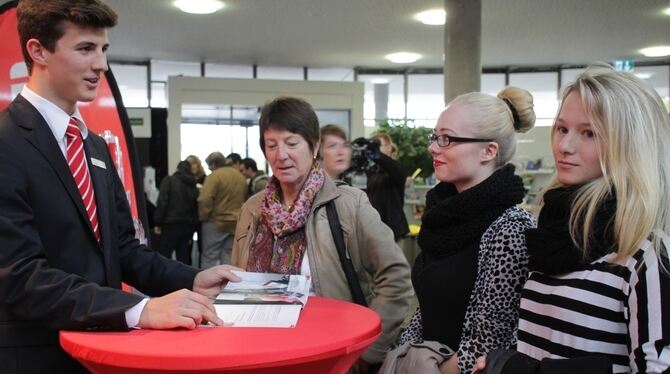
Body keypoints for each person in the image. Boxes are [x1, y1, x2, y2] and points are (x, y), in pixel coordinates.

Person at [0, 2, 240, 373]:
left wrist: (191, 277)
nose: (102, 65)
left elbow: (123, 249)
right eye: (85, 49)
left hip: (103, 354)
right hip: (37, 356)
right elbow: (20, 276)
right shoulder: (6, 143)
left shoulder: (93, 146)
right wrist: (140, 309)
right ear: (37, 51)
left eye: (104, 49)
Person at [474, 64, 670, 374]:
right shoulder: (552, 232)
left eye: (589, 133)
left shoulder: (645, 254)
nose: (564, 146)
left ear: (631, 143)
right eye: (562, 129)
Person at [231, 97, 413, 372]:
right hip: (261, 355)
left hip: (329, 358)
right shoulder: (253, 210)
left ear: (314, 146)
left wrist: (365, 351)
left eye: (292, 143)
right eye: (271, 145)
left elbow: (395, 277)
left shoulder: (348, 204)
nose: (281, 155)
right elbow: (239, 281)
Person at [391, 86, 536, 374]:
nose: (433, 147)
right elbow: (431, 306)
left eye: (447, 139)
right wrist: (400, 355)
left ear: (488, 150)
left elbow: (490, 341)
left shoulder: (510, 229)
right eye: (435, 137)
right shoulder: (442, 218)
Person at [199, 151, 247, 268]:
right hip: (235, 222)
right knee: (229, 256)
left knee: (210, 256)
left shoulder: (214, 176)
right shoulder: (240, 177)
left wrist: (203, 217)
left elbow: (205, 199)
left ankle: (208, 285)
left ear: (213, 164)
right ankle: (228, 284)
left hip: (215, 222)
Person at [363, 132, 410, 240]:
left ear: (389, 148)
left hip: (393, 231)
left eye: (379, 145)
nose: (376, 149)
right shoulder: (373, 171)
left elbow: (390, 165)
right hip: (374, 229)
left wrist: (376, 154)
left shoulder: (396, 168)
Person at [154, 160, 198, 265]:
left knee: (164, 257)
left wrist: (158, 221)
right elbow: (195, 207)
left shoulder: (169, 180)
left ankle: (165, 281)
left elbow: (163, 202)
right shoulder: (193, 184)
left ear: (178, 169)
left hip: (170, 224)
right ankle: (184, 280)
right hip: (186, 226)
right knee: (183, 257)